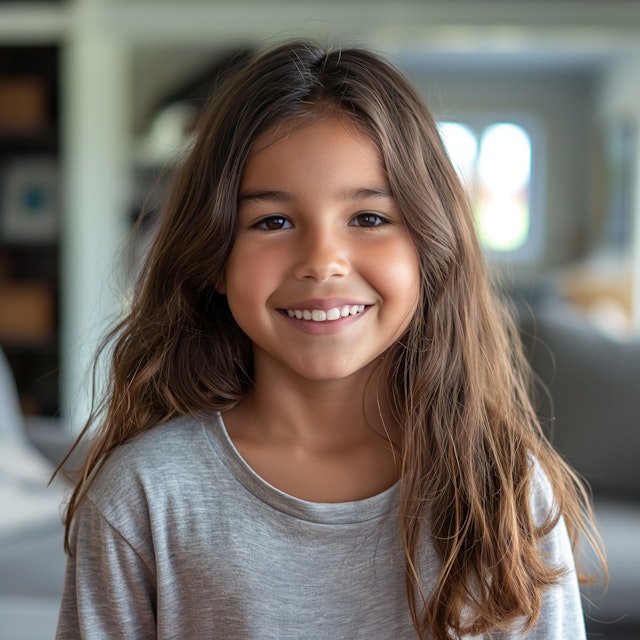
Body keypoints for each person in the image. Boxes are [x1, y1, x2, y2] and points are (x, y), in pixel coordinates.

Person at [55, 40, 604, 639]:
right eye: (272, 221)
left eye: (368, 218)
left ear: (431, 249)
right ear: (213, 255)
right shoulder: (143, 496)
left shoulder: (503, 488)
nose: (322, 261)